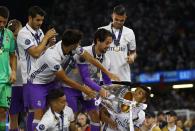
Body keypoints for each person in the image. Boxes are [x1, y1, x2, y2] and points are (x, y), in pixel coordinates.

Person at [28, 29, 119, 130]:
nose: (79, 45)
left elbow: (91, 59)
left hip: (53, 81)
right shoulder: (52, 56)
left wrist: (107, 72)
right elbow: (65, 79)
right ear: (73, 45)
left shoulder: (71, 47)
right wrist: (85, 90)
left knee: (64, 113)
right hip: (38, 82)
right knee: (40, 113)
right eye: (78, 43)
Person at [62, 28, 113, 131]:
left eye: (110, 43)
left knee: (95, 115)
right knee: (72, 117)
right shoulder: (84, 52)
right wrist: (101, 90)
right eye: (107, 43)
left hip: (89, 88)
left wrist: (111, 92)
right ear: (98, 40)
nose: (109, 46)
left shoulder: (106, 60)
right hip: (71, 87)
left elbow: (107, 81)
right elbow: (85, 78)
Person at [17, 6, 57, 131]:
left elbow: (41, 52)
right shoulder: (23, 33)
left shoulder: (39, 32)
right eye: (38, 20)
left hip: (41, 77)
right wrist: (46, 39)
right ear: (30, 18)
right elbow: (34, 53)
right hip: (30, 79)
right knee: (34, 111)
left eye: (42, 21)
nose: (40, 23)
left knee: (40, 111)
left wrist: (49, 44)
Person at [99, 4, 137, 83]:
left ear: (125, 17)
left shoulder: (130, 32)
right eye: (116, 19)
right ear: (112, 15)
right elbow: (94, 51)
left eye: (122, 20)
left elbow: (133, 52)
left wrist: (132, 57)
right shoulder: (101, 30)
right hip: (105, 77)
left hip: (124, 77)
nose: (119, 22)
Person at [0, 6, 17, 130]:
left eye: (4, 22)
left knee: (3, 111)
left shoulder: (9, 34)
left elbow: (12, 56)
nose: (1, 24)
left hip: (6, 80)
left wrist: (14, 72)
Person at [7, 19, 24, 131]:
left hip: (27, 84)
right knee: (13, 120)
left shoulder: (28, 44)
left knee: (31, 116)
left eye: (17, 34)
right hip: (12, 87)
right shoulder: (5, 47)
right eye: (12, 34)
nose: (15, 37)